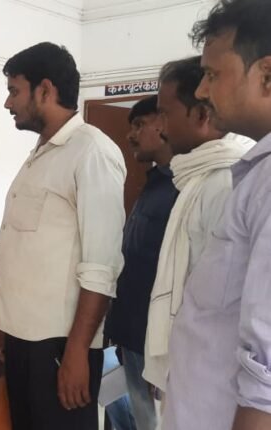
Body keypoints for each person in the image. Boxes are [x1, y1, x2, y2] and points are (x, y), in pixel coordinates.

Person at [0, 42, 126, 430]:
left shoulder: (92, 151)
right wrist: (4, 320)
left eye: (14, 91)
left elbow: (101, 265)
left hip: (60, 344)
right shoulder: (41, 154)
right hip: (23, 338)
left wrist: (78, 351)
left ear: (45, 90)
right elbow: (26, 249)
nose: (8, 103)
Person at [163, 1, 271, 429]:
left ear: (267, 74)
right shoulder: (255, 173)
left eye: (213, 74)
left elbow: (267, 369)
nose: (203, 91)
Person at [142, 56, 248, 396]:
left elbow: (224, 303)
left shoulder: (225, 183)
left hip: (209, 373)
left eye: (165, 113)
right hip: (188, 364)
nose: (160, 126)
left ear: (201, 114)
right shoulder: (195, 178)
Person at [104, 95, 175, 430]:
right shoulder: (156, 182)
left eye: (139, 125)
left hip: (155, 342)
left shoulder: (183, 186)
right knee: (132, 417)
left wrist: (164, 356)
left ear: (164, 123)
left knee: (152, 423)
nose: (130, 135)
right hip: (131, 334)